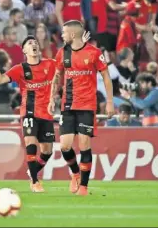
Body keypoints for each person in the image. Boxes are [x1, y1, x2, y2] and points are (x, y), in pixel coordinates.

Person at [48, 20, 114, 196]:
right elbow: (57, 75)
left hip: (87, 105)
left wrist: (109, 102)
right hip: (68, 104)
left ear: (71, 34)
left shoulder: (94, 53)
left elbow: (106, 77)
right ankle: (76, 174)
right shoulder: (62, 53)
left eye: (63, 32)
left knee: (84, 144)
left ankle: (84, 186)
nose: (61, 35)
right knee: (65, 146)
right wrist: (51, 98)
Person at [0, 36, 56, 192]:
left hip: (46, 112)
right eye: (29, 43)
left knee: (47, 151)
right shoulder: (20, 68)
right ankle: (35, 182)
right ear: (24, 50)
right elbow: (0, 80)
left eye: (35, 42)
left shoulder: (50, 64)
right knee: (30, 143)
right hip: (28, 111)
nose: (33, 44)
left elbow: (67, 67)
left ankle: (33, 170)